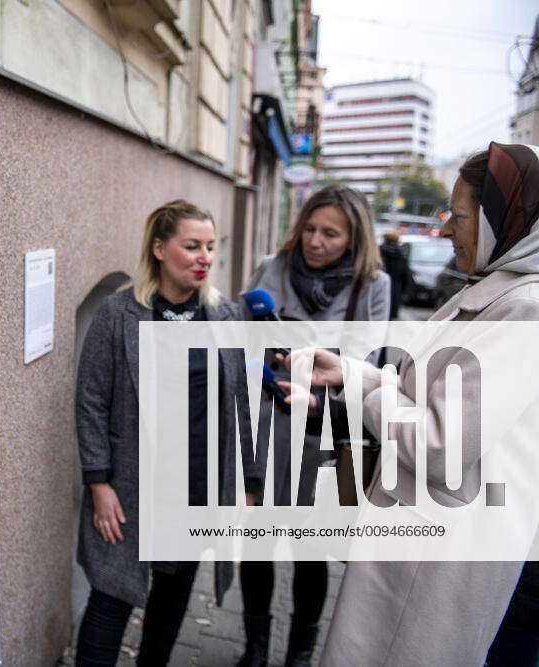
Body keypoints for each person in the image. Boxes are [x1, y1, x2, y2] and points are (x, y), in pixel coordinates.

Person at [291, 143, 539, 666]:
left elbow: (440, 442)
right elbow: (424, 392)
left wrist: (368, 391)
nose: (447, 229)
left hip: (443, 553)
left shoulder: (525, 308)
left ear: (507, 221)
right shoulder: (492, 291)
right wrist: (351, 375)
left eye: (461, 216)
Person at [73, 200, 257, 666]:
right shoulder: (119, 314)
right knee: (110, 597)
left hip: (196, 486)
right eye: (192, 245)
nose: (204, 258)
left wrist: (246, 486)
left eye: (211, 247)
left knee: (173, 597)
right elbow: (91, 401)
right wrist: (99, 484)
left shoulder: (226, 317)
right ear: (159, 248)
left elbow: (241, 402)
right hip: (131, 488)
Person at [238, 184, 390, 667]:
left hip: (322, 433)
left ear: (353, 239)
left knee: (310, 548)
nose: (315, 241)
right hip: (266, 423)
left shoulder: (372, 286)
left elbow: (369, 363)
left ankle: (300, 653)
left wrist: (317, 371)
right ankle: (255, 649)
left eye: (330, 233)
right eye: (310, 228)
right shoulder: (273, 269)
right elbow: (241, 339)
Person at [379, 230, 411, 319]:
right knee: (390, 316)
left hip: (379, 285)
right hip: (395, 288)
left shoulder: (378, 252)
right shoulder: (400, 254)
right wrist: (404, 291)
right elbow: (405, 275)